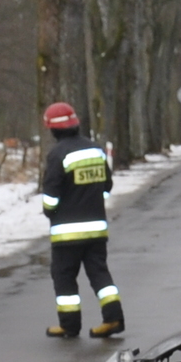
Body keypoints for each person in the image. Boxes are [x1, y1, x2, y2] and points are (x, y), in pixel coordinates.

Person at [37, 102, 121, 338]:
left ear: (53, 129)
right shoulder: (95, 150)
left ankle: (69, 325)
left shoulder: (57, 155)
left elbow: (51, 198)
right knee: (99, 274)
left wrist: (51, 212)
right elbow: (107, 187)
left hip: (67, 234)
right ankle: (113, 319)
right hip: (97, 230)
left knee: (64, 278)